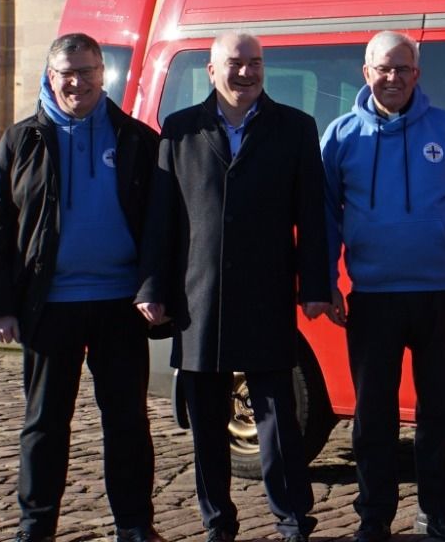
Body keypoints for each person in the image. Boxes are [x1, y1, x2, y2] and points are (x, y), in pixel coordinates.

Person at [137, 31, 333, 542]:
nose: (246, 72)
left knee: (278, 419)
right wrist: (151, 287)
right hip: (196, 297)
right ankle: (217, 521)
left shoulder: (295, 128)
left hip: (266, 292)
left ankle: (293, 518)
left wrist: (316, 283)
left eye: (255, 63)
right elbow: (163, 220)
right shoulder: (178, 131)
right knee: (206, 423)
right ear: (211, 70)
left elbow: (312, 216)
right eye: (235, 63)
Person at [0, 32, 164, 542]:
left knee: (127, 423)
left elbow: (161, 226)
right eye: (66, 73)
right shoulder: (21, 141)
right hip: (48, 306)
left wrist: (156, 288)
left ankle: (134, 525)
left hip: (121, 304)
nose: (77, 82)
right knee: (44, 424)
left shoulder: (138, 139)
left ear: (104, 74)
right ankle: (36, 527)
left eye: (87, 71)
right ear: (50, 76)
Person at [319, 31, 445, 542]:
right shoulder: (342, 135)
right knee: (374, 416)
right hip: (373, 297)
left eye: (403, 69)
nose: (393, 78)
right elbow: (325, 216)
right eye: (383, 69)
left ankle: (436, 512)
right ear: (365, 72)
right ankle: (374, 516)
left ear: (417, 74)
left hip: (439, 293)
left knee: (439, 412)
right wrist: (327, 281)